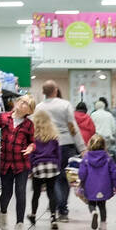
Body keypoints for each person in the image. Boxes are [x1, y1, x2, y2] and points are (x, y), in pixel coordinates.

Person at [35, 80, 85, 222]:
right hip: (66, 144)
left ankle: (56, 206)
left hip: (47, 145)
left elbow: (36, 127)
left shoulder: (39, 107)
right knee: (64, 177)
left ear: (44, 92)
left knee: (53, 177)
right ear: (56, 90)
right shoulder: (65, 105)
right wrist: (82, 147)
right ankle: (63, 209)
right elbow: (72, 127)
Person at [0, 94, 33, 230]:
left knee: (21, 192)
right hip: (5, 162)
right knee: (6, 193)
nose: (22, 104)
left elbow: (32, 141)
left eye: (27, 104)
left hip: (21, 164)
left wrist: (31, 147)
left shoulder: (29, 125)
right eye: (22, 101)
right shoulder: (3, 118)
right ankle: (3, 214)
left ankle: (20, 225)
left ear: (29, 111)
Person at [26, 107, 62, 230]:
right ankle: (53, 217)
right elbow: (58, 153)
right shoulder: (53, 136)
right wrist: (58, 165)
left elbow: (31, 154)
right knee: (51, 192)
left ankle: (33, 215)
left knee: (36, 193)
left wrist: (30, 170)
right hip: (52, 166)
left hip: (38, 166)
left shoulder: (33, 137)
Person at [77, 134, 116, 230]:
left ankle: (93, 212)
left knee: (91, 202)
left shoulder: (86, 158)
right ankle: (103, 224)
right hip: (104, 185)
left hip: (90, 185)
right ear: (104, 145)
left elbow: (82, 173)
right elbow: (114, 172)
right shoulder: (108, 158)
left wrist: (81, 180)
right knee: (102, 205)